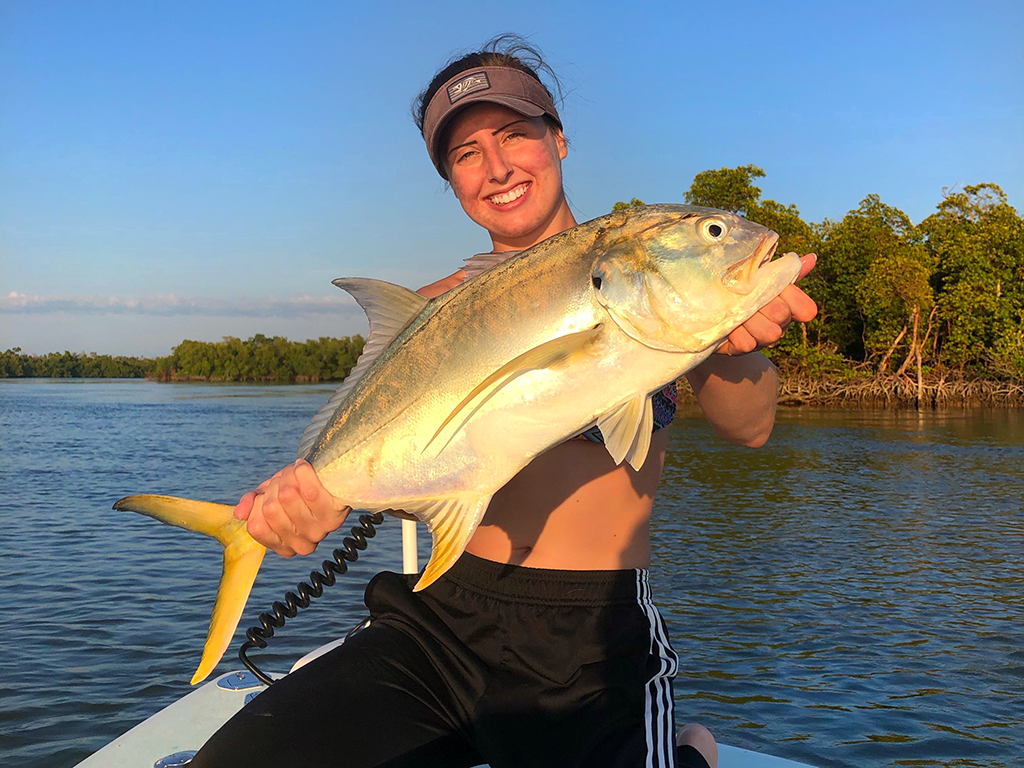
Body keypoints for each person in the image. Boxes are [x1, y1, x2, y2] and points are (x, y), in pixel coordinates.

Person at [190, 36, 817, 768]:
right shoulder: (428, 312)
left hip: (591, 636)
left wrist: (726, 344)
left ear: (558, 140)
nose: (496, 167)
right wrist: (310, 502)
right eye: (464, 154)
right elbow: (398, 467)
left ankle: (692, 753)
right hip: (440, 618)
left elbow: (752, 427)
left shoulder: (642, 268)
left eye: (515, 134)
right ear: (452, 182)